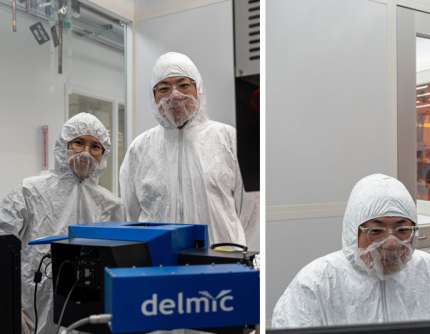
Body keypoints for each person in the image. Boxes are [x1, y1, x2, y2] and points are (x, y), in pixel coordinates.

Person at [272, 174, 430, 328]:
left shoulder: (429, 271)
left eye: (402, 230)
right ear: (353, 232)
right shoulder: (317, 281)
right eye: (376, 231)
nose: (391, 244)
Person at [0, 113, 123, 334]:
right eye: (78, 143)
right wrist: (9, 305)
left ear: (103, 154)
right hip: (32, 306)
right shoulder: (29, 191)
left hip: (88, 307)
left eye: (95, 146)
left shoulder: (110, 204)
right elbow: (3, 246)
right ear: (62, 145)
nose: (86, 152)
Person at [120, 52, 246, 246]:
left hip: (223, 260)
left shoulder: (228, 139)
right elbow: (130, 213)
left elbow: (250, 209)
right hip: (159, 264)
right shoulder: (140, 148)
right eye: (164, 88)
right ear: (153, 97)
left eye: (184, 85)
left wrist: (240, 254)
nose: (175, 95)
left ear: (199, 89)